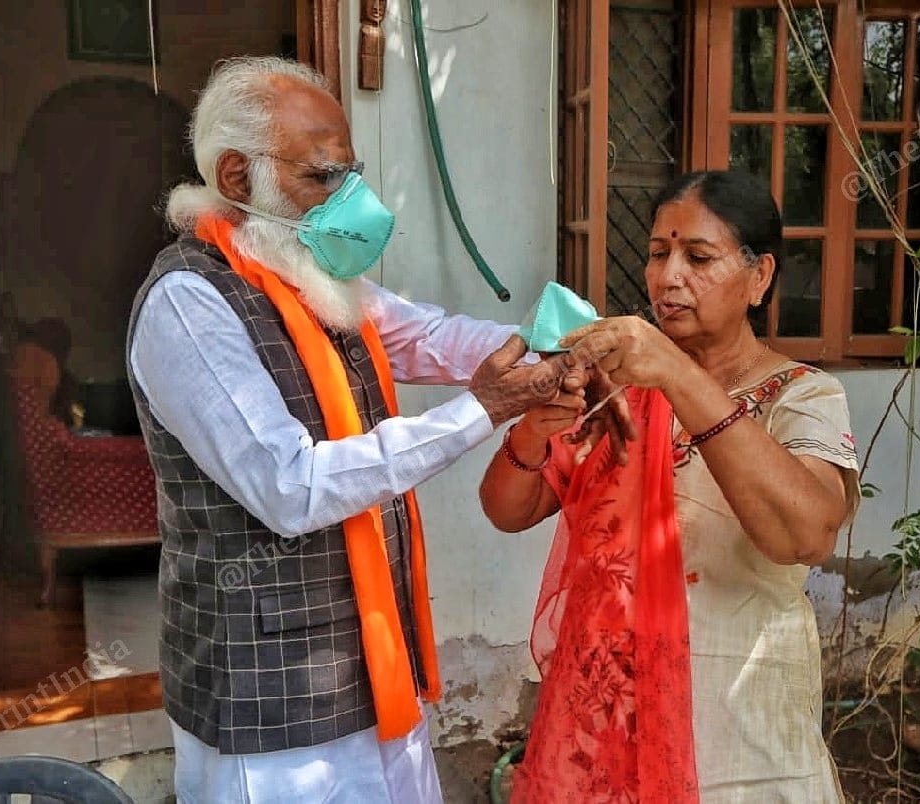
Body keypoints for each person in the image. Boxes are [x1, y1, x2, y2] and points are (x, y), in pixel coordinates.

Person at [126, 57, 588, 803]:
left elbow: (430, 336)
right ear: (238, 176)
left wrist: (558, 349)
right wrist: (485, 408)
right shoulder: (188, 303)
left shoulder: (307, 274)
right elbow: (292, 487)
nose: (350, 200)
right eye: (322, 177)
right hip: (268, 701)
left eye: (351, 175)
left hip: (371, 661)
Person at [480, 170, 860, 802]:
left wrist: (679, 377)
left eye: (699, 258)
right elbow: (508, 510)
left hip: (734, 731)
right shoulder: (620, 393)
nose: (668, 276)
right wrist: (531, 433)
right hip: (605, 728)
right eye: (659, 253)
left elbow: (805, 536)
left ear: (759, 277)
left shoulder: (801, 396)